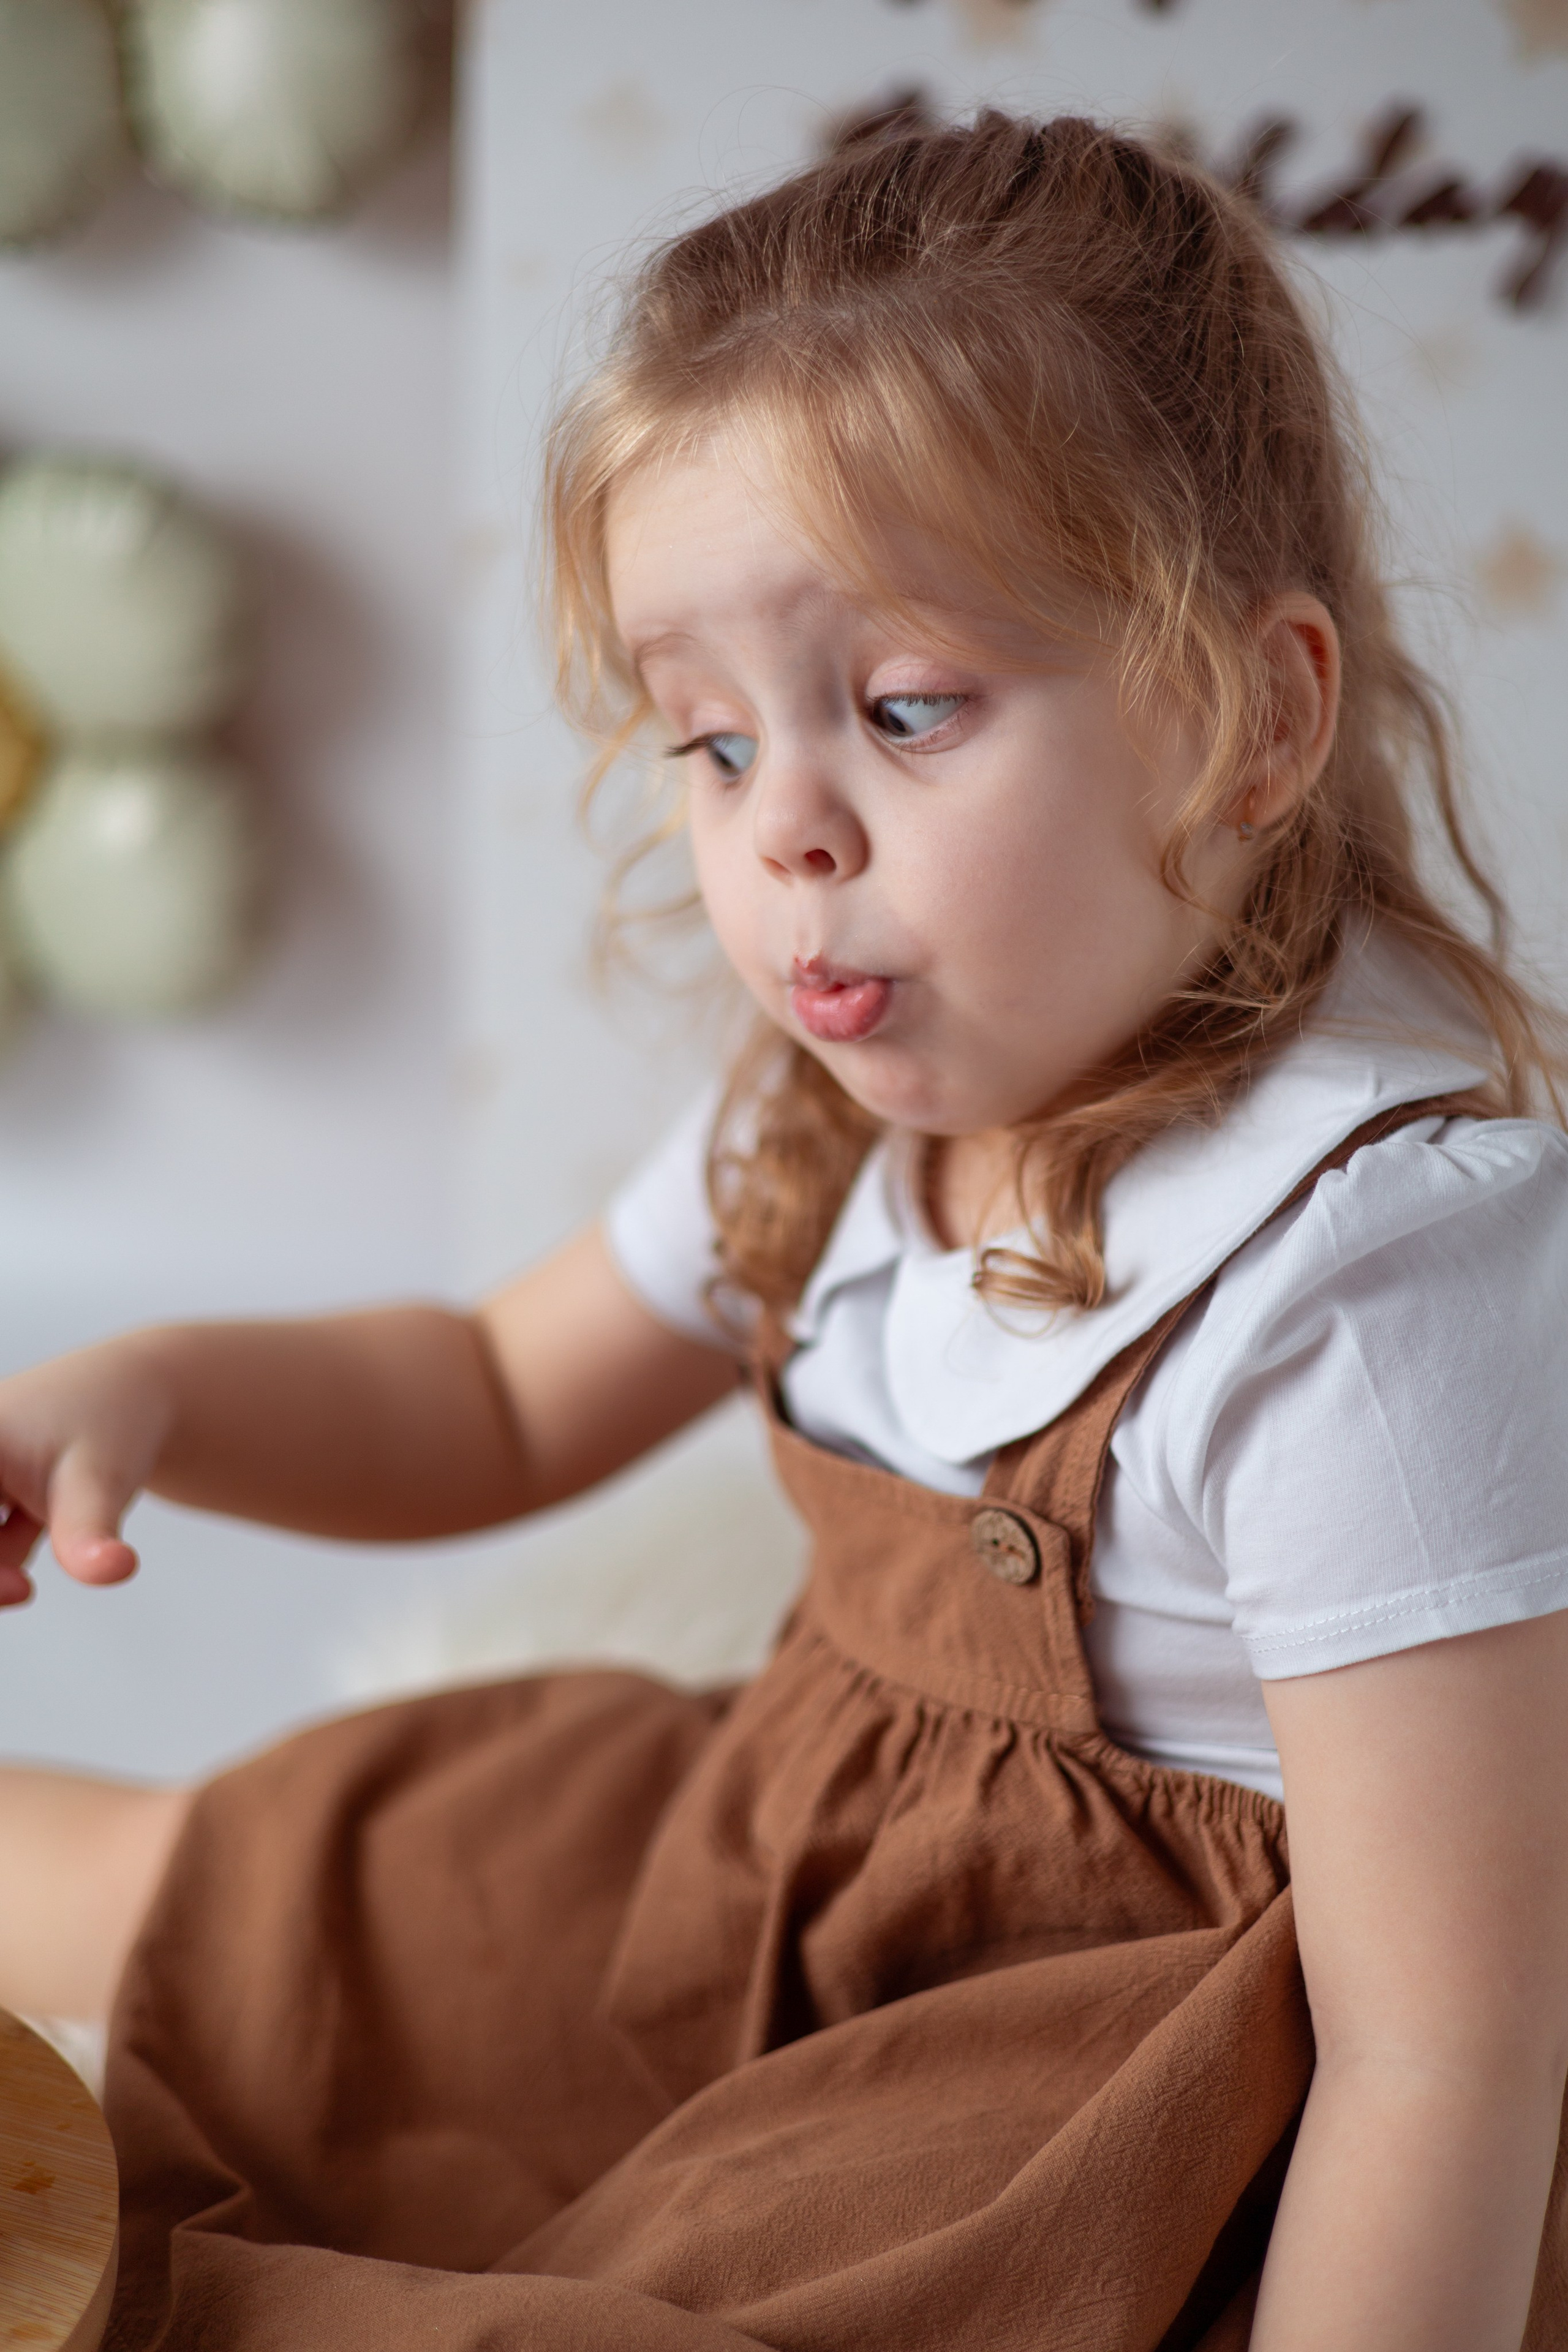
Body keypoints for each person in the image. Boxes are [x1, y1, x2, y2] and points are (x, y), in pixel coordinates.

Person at [2, 110, 1567, 2352]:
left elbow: (1449, 2049)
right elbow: (485, 1397)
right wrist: (144, 1390)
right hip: (764, 1868)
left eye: (906, 709)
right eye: (711, 744)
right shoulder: (848, 1106)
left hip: (1063, 2076)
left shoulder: (1363, 1270)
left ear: (1253, 719)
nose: (788, 837)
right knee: (251, 1898)